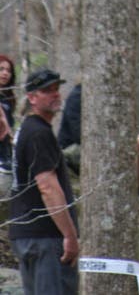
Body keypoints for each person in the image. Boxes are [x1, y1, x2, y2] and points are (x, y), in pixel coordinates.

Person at [9, 67, 79, 295]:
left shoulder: (27, 131)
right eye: (47, 90)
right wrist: (69, 235)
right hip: (45, 239)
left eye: (57, 89)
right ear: (31, 97)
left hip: (28, 236)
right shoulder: (38, 133)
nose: (55, 94)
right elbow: (47, 187)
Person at [0, 54, 17, 192]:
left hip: (5, 156)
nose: (5, 73)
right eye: (1, 69)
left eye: (8, 70)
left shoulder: (8, 99)